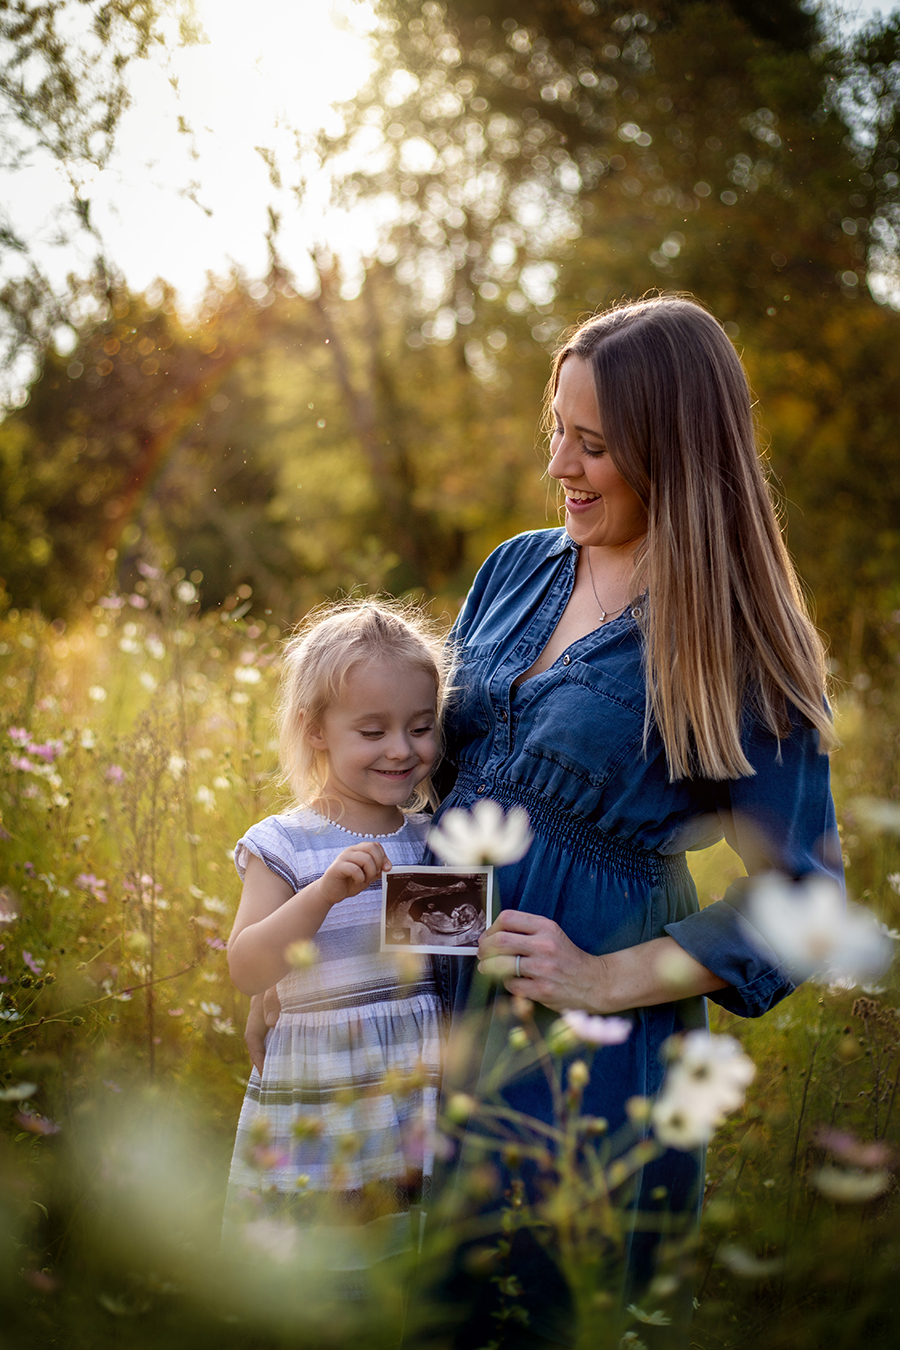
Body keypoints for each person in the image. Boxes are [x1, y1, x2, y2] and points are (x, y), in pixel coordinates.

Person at [417, 294, 842, 1346]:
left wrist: (608, 978)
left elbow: (807, 900)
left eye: (594, 444)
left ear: (677, 452)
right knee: (434, 1311)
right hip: (441, 1020)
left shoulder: (736, 640)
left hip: (592, 1056)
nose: (560, 463)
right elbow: (448, 791)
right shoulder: (515, 569)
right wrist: (364, 968)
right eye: (556, 427)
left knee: (569, 1312)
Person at [224, 600, 448, 1284]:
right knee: (322, 1282)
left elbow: (434, 960)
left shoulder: (430, 836)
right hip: (326, 1095)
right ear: (314, 730)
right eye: (372, 730)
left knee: (400, 1280)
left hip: (410, 1090)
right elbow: (246, 966)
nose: (402, 750)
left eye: (420, 727)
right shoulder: (286, 844)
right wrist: (321, 894)